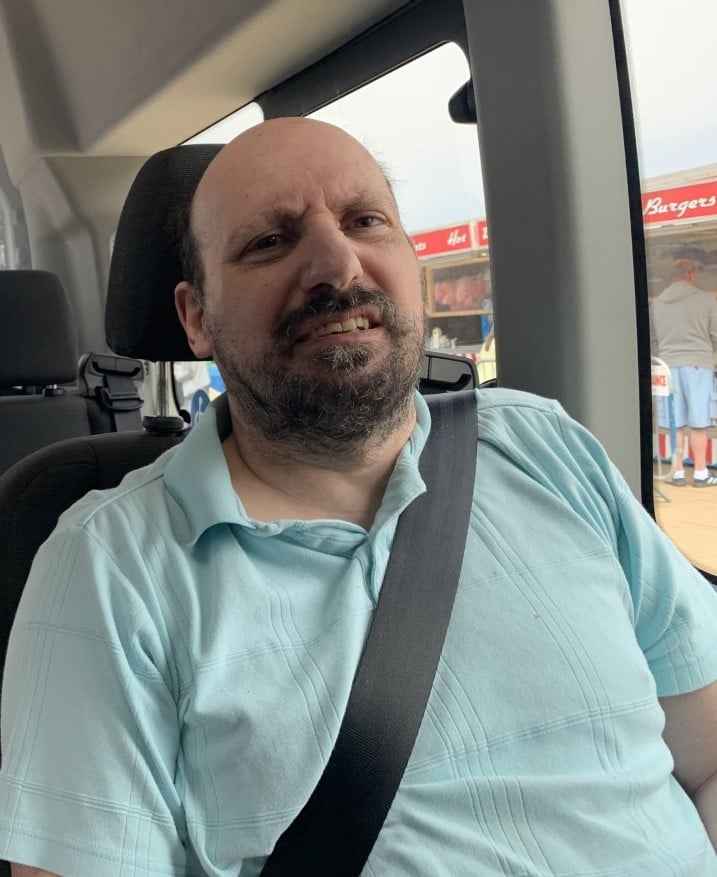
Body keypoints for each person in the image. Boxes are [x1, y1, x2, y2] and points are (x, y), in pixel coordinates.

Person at [2, 118, 717, 877]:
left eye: (366, 221)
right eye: (268, 242)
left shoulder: (546, 448)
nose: (337, 263)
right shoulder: (109, 564)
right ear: (197, 317)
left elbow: (706, 758)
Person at [650, 258, 717, 487]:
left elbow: (652, 340)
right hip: (698, 365)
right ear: (690, 275)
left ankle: (677, 472)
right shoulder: (706, 301)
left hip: (667, 367)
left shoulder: (657, 305)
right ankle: (700, 473)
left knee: (674, 422)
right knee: (699, 422)